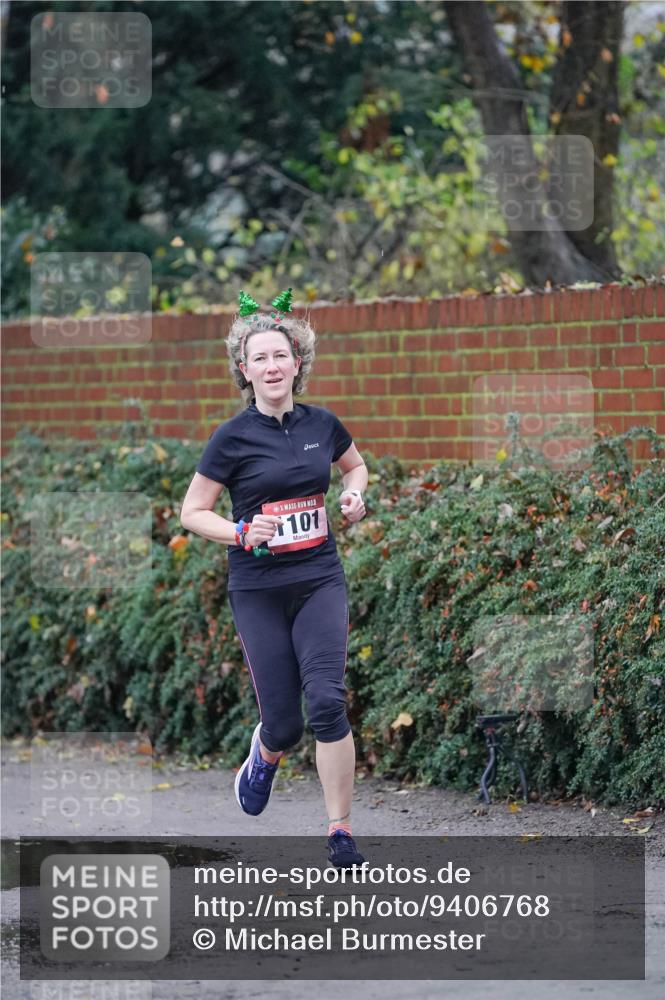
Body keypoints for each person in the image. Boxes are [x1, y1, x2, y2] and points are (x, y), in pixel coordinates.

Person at [180, 289, 369, 868]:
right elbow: (192, 512)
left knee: (329, 704)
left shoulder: (323, 424)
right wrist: (239, 532)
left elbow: (355, 465)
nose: (271, 367)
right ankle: (264, 755)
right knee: (284, 723)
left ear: (297, 363)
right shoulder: (231, 438)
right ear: (245, 370)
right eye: (259, 358)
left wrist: (355, 493)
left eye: (280, 356)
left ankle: (340, 831)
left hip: (318, 577)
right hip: (259, 589)